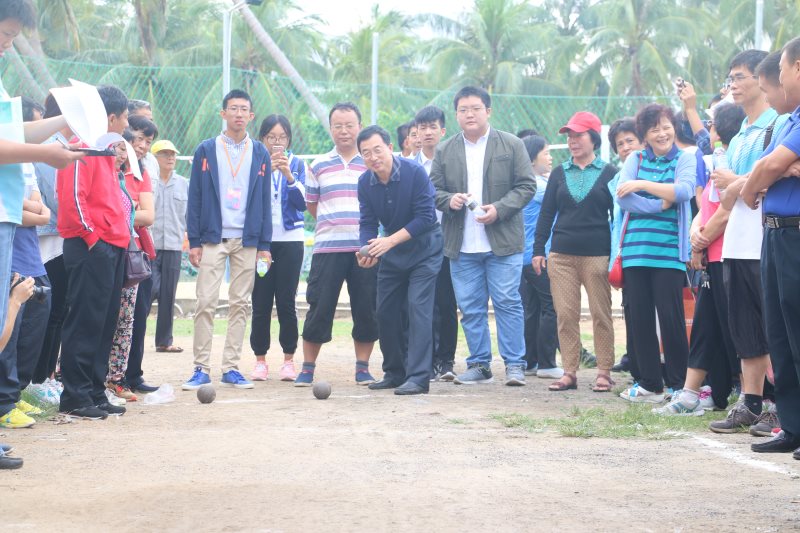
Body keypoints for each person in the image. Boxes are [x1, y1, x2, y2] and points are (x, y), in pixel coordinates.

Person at [430, 86, 535, 386]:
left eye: (475, 108)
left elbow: (526, 186)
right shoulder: (445, 150)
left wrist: (499, 209)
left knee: (507, 302)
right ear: (456, 115)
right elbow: (432, 190)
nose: (469, 114)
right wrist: (449, 200)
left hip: (503, 241)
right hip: (462, 244)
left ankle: (515, 365)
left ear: (488, 111)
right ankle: (479, 365)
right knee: (470, 308)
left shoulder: (511, 144)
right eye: (463, 110)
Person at [708, 50, 789, 434]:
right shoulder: (740, 132)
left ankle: (779, 402)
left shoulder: (780, 122)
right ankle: (751, 400)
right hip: (736, 238)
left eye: (740, 77)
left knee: (774, 323)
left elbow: (769, 174)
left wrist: (737, 184)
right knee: (744, 324)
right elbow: (731, 189)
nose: (733, 85)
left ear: (762, 78)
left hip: (766, 232)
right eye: (731, 79)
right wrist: (739, 186)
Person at [654, 102, 744, 416]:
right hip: (711, 256)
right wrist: (696, 234)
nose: (707, 129)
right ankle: (693, 393)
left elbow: (727, 210)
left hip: (727, 254)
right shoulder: (714, 160)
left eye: (711, 123)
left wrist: (699, 241)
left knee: (735, 329)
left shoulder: (731, 164)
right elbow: (705, 206)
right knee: (706, 325)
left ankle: (754, 395)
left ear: (722, 128)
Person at [183, 89, 272, 391]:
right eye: (233, 108)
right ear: (223, 113)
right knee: (205, 302)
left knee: (240, 304)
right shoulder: (206, 150)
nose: (238, 113)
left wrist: (265, 246)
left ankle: (231, 368)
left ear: (251, 115)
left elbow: (264, 201)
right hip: (213, 238)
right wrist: (194, 240)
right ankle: (200, 368)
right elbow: (195, 196)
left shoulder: (260, 152)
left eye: (244, 109)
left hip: (247, 240)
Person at [57, 84, 130, 420]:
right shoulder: (81, 146)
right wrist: (93, 238)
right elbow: (74, 197)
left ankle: (94, 391)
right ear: (110, 117)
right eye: (124, 117)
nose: (126, 124)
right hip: (91, 246)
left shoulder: (106, 151)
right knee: (85, 321)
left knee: (103, 323)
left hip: (112, 245)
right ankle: (74, 395)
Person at [614, 104, 695, 403]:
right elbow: (623, 198)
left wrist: (642, 185)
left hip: (669, 252)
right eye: (654, 129)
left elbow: (684, 191)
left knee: (671, 319)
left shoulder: (684, 159)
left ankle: (678, 384)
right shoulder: (635, 159)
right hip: (635, 250)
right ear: (645, 135)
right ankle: (649, 383)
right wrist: (659, 203)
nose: (662, 134)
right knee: (640, 318)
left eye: (666, 127)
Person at [294, 102, 378, 387]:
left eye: (349, 125)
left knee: (366, 308)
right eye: (338, 126)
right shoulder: (318, 165)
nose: (344, 131)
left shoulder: (371, 163)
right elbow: (312, 205)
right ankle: (307, 368)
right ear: (330, 129)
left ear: (360, 126)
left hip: (365, 250)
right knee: (319, 307)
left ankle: (363, 368)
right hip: (327, 249)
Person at [743, 38, 800, 456]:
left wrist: (757, 183)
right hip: (775, 233)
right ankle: (792, 426)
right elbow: (766, 165)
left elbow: (769, 167)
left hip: (796, 233)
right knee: (779, 335)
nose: (777, 80)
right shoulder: (787, 121)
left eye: (781, 71)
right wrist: (770, 172)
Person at [533, 111, 616, 392]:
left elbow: (617, 216)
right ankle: (569, 371)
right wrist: (538, 249)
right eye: (569, 136)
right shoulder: (559, 173)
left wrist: (617, 253)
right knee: (566, 315)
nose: (572, 141)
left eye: (578, 135)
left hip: (597, 254)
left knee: (601, 313)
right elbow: (546, 214)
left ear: (593, 138)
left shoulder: (609, 173)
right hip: (561, 255)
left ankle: (604, 371)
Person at [356, 125, 442, 395]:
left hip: (425, 249)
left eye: (377, 150)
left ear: (390, 148)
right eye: (366, 153)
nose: (373, 157)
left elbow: (426, 217)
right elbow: (367, 222)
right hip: (392, 253)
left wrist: (389, 242)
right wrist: (366, 250)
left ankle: (419, 377)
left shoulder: (414, 173)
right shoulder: (364, 183)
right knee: (385, 311)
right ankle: (395, 372)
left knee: (418, 308)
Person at [249, 114, 306, 382]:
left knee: (286, 301)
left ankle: (288, 360)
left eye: (282, 137)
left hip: (291, 242)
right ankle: (260, 360)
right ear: (262, 138)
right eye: (271, 137)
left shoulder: (298, 164)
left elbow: (303, 202)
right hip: (263, 244)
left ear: (289, 139)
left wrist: (288, 176)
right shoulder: (255, 163)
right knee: (260, 301)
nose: (276, 142)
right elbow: (248, 198)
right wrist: (265, 173)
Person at [0, 147, 52, 429]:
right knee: (8, 331)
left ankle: (16, 392)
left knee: (34, 326)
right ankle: (4, 403)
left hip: (32, 257)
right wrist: (34, 211)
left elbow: (41, 208)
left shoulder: (27, 163)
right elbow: (11, 206)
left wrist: (30, 209)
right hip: (10, 258)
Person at [413, 105, 457, 381]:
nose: (427, 132)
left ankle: (446, 361)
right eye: (422, 127)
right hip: (418, 243)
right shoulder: (409, 165)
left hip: (448, 241)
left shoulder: (454, 163)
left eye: (433, 127)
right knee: (421, 305)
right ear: (416, 132)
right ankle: (424, 361)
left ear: (442, 131)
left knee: (446, 303)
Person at [519, 134, 562, 379]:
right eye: (546, 153)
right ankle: (547, 363)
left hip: (525, 257)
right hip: (540, 256)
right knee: (552, 307)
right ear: (533, 158)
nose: (550, 157)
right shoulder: (539, 186)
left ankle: (530, 361)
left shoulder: (525, 183)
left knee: (534, 309)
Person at [121, 115, 159, 395]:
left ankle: (133, 374)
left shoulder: (141, 173)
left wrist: (127, 209)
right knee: (115, 317)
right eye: (140, 138)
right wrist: (132, 207)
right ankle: (113, 377)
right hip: (114, 249)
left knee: (139, 315)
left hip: (138, 254)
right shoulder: (112, 168)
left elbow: (149, 216)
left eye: (148, 141)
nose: (143, 145)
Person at [607, 118, 644, 376]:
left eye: (630, 140)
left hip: (649, 250)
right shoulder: (617, 179)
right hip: (625, 253)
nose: (625, 147)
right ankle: (635, 362)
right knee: (630, 310)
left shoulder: (650, 171)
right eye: (620, 144)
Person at [147, 139, 187, 356]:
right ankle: (132, 336)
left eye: (173, 154)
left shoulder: (183, 184)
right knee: (148, 290)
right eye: (165, 154)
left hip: (173, 245)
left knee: (168, 294)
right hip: (149, 245)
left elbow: (189, 215)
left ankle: (164, 341)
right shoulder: (148, 181)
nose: (170, 157)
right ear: (155, 158)